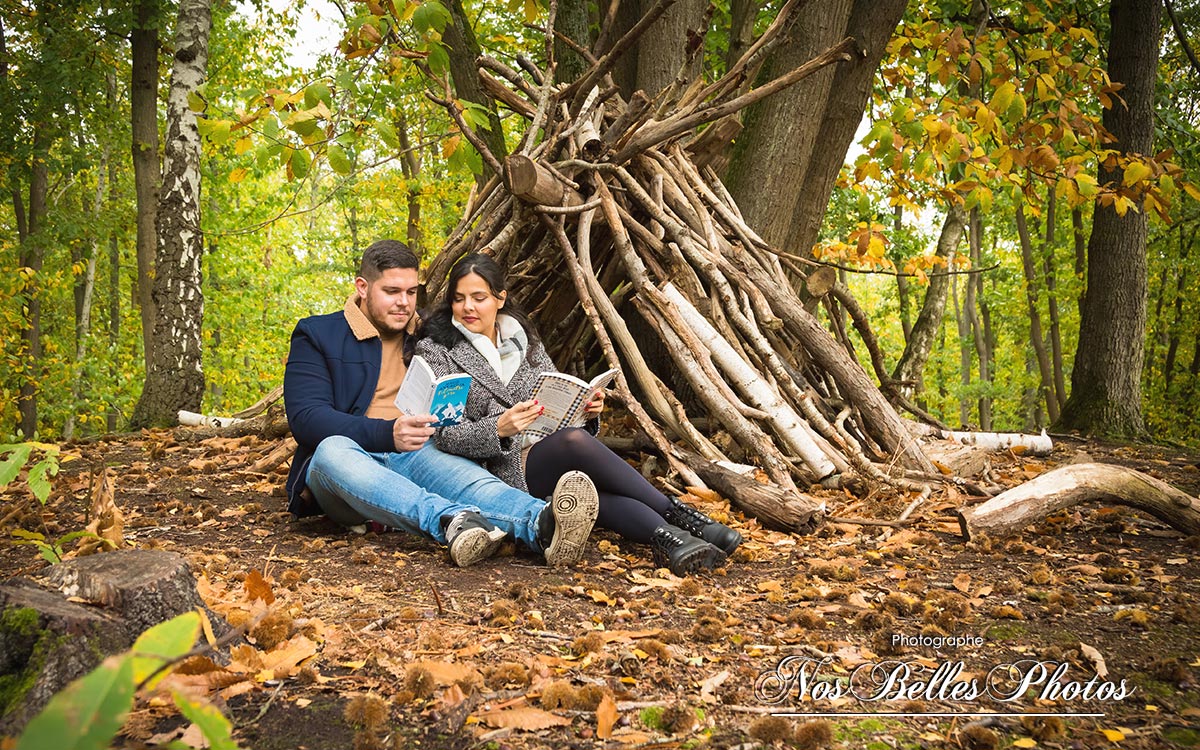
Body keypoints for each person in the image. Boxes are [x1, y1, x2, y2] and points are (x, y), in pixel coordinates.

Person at [415, 253, 742, 576]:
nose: (468, 307)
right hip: (497, 467)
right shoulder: (437, 349)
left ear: (500, 299)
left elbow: (554, 390)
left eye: (478, 297)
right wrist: (497, 428)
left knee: (593, 493)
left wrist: (586, 409)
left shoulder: (523, 338)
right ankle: (681, 515)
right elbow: (444, 435)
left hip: (545, 447)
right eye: (459, 299)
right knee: (573, 442)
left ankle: (674, 540)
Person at [282, 240, 599, 568]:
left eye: (411, 292)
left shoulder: (430, 333)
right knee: (331, 452)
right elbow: (307, 419)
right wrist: (388, 433)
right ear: (362, 287)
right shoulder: (318, 334)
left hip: (417, 451)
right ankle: (451, 521)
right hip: (349, 465)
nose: (404, 303)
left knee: (471, 480)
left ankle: (543, 525)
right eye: (392, 291)